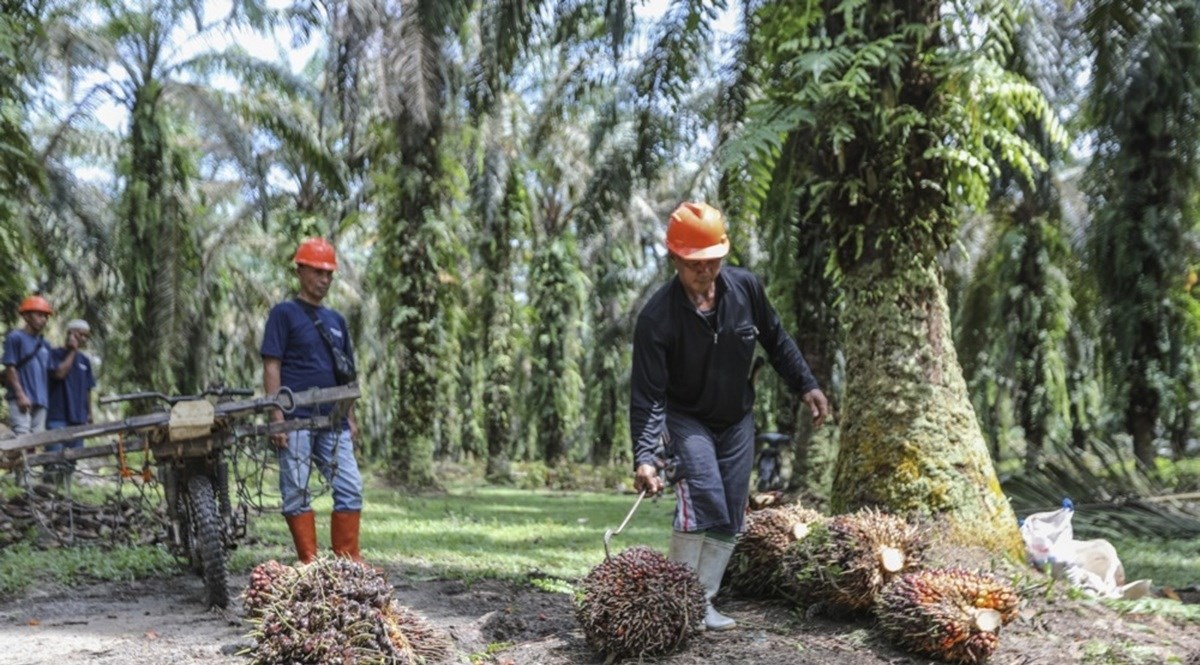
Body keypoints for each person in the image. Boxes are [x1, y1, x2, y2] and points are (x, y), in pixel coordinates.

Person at [629, 202, 830, 631]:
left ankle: (702, 603)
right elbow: (648, 396)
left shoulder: (746, 289)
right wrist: (645, 456)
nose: (706, 271)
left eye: (714, 261)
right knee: (703, 496)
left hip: (736, 416)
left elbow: (776, 339)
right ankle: (676, 605)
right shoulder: (656, 318)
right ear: (676, 259)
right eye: (695, 264)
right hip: (686, 419)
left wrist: (806, 384)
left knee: (731, 511)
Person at [261, 237, 363, 564]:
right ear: (300, 271)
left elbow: (346, 374)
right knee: (296, 490)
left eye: (329, 274)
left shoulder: (337, 322)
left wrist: (350, 417)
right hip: (296, 419)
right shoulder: (284, 314)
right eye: (318, 272)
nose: (324, 280)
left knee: (350, 485)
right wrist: (277, 416)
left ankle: (348, 558)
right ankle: (309, 562)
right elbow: (272, 365)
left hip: (333, 420)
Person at [45, 319, 97, 483]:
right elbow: (60, 374)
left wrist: (89, 413)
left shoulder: (85, 361)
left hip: (78, 417)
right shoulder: (54, 354)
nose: (83, 339)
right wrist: (72, 351)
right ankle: (49, 490)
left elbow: (88, 389)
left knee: (71, 460)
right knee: (53, 459)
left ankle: (65, 494)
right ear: (70, 334)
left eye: (85, 336)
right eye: (80, 335)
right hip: (57, 416)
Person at [3, 295, 55, 440]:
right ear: (26, 316)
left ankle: (29, 463)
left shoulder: (45, 345)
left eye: (46, 316)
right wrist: (20, 395)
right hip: (21, 399)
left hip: (41, 400)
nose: (43, 319)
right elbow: (10, 367)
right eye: (39, 315)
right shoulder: (15, 337)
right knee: (22, 437)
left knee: (36, 440)